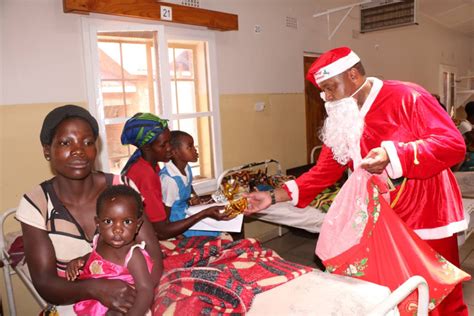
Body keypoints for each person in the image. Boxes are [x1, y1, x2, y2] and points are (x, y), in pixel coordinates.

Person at [245, 47, 468, 315]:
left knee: (439, 294)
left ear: (353, 75)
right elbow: (326, 168)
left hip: (425, 210)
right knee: (388, 290)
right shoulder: (342, 113)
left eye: (330, 87)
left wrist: (393, 154)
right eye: (322, 90)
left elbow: (453, 145)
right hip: (376, 214)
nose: (326, 97)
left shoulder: (407, 96)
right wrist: (273, 197)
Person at [16, 105, 163, 315]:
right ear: (47, 150)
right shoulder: (36, 203)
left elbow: (154, 255)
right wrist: (97, 288)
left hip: (137, 297)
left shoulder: (122, 189)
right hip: (73, 301)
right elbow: (45, 283)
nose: (79, 150)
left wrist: (139, 298)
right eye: (66, 143)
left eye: (88, 142)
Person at [120, 112, 229, 240]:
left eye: (169, 142)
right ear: (147, 147)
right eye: (163, 145)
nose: (169, 148)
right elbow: (161, 231)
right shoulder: (146, 175)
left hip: (160, 230)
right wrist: (204, 213)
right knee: (225, 238)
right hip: (149, 239)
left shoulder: (151, 165)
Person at [66, 185, 155, 315]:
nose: (117, 229)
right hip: (99, 297)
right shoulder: (100, 240)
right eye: (108, 221)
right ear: (98, 223)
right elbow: (95, 256)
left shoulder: (133, 255)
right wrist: (80, 261)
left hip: (123, 303)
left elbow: (145, 289)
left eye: (127, 222)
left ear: (138, 225)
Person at [160, 130, 220, 237]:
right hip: (177, 224)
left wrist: (193, 196)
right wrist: (178, 235)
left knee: (219, 223)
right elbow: (165, 216)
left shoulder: (186, 168)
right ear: (175, 152)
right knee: (214, 233)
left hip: (187, 213)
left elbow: (188, 185)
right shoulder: (170, 180)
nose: (195, 150)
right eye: (190, 147)